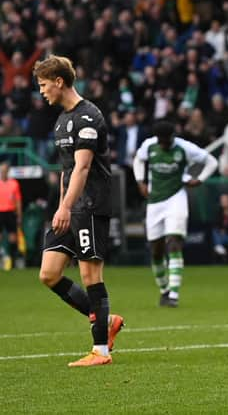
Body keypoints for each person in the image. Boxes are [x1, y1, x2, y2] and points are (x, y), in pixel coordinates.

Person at [33, 55, 124, 367]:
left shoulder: (88, 117)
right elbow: (66, 170)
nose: (42, 91)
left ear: (59, 82)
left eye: (44, 85)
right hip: (70, 207)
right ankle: (106, 320)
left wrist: (68, 207)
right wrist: (61, 207)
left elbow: (83, 168)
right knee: (49, 273)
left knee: (89, 274)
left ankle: (101, 351)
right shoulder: (61, 121)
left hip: (90, 205)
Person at [133, 120, 218, 308]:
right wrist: (140, 181)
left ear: (172, 136)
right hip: (154, 202)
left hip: (176, 199)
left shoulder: (185, 148)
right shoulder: (149, 145)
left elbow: (211, 161)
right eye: (161, 141)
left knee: (174, 243)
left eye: (167, 140)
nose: (164, 144)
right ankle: (164, 290)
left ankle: (173, 295)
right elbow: (138, 159)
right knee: (156, 251)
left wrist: (200, 179)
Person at [0, 162, 22, 271]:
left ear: (7, 171)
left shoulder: (14, 183)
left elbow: (18, 200)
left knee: (13, 238)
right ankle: (2, 259)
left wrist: (19, 215)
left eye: (4, 170)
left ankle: (13, 261)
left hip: (10, 212)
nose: (3, 172)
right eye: (1, 170)